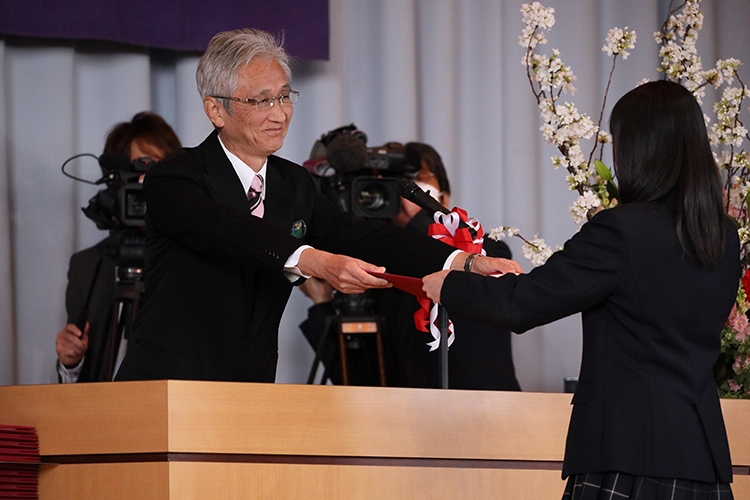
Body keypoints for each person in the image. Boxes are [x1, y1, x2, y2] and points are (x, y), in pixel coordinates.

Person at [113, 29, 511, 383]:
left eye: (285, 96)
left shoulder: (294, 183)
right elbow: (231, 230)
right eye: (262, 100)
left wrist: (464, 261)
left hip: (249, 391)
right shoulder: (175, 177)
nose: (280, 113)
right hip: (167, 386)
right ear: (216, 109)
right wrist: (318, 262)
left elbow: (364, 235)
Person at [424, 80, 737, 498]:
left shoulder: (622, 230)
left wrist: (449, 284)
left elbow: (525, 304)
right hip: (702, 458)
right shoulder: (724, 235)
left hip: (628, 456)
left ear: (639, 150)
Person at [301, 142, 521, 390]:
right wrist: (322, 305)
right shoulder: (380, 272)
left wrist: (420, 217)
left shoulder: (488, 251)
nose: (405, 191)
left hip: (491, 409)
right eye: (394, 184)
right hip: (412, 416)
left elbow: (470, 265)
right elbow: (361, 383)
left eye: (415, 180)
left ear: (445, 195)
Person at [55, 112, 182, 383]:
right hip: (103, 415)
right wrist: (71, 361)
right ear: (115, 181)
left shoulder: (194, 263)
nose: (145, 183)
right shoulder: (87, 267)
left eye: (157, 170)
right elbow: (76, 384)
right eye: (137, 171)